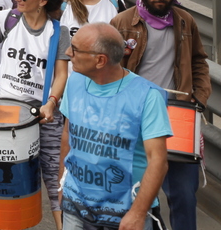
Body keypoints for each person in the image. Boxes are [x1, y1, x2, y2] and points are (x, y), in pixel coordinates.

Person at [111, 0, 211, 230]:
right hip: (134, 119)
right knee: (132, 191)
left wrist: (199, 97)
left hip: (178, 118)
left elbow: (199, 62)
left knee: (183, 195)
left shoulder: (185, 22)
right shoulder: (121, 22)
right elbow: (107, 69)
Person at [0, 0, 70, 229]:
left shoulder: (57, 32)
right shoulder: (8, 19)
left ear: (43, 1)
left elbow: (61, 74)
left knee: (54, 176)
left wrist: (51, 102)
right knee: (4, 172)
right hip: (4, 108)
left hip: (42, 112)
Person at [60, 22, 170, 230]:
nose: (67, 53)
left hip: (125, 213)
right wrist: (61, 187)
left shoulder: (148, 96)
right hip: (76, 206)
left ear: (100, 60)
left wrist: (138, 213)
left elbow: (158, 160)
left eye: (75, 49)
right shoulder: (75, 82)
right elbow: (68, 135)